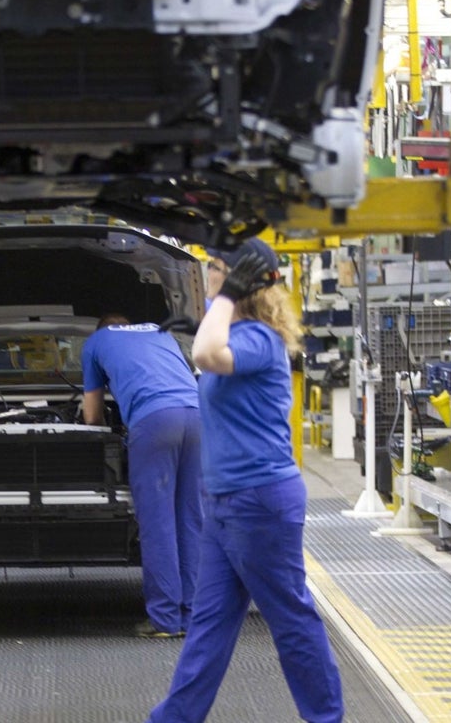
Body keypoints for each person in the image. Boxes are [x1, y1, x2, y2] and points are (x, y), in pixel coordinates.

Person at [146, 239, 343, 723]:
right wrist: (216, 311)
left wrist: (225, 301)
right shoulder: (236, 333)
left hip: (259, 502)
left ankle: (326, 717)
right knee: (209, 625)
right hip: (225, 504)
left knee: (291, 619)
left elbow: (207, 356)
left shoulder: (258, 339)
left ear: (238, 282)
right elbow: (206, 351)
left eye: (215, 269)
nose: (208, 276)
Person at [81, 314, 202, 638]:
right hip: (198, 418)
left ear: (102, 327)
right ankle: (192, 618)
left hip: (155, 423)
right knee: (191, 520)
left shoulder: (96, 342)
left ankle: (164, 620)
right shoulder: (162, 332)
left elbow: (92, 415)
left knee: (158, 523)